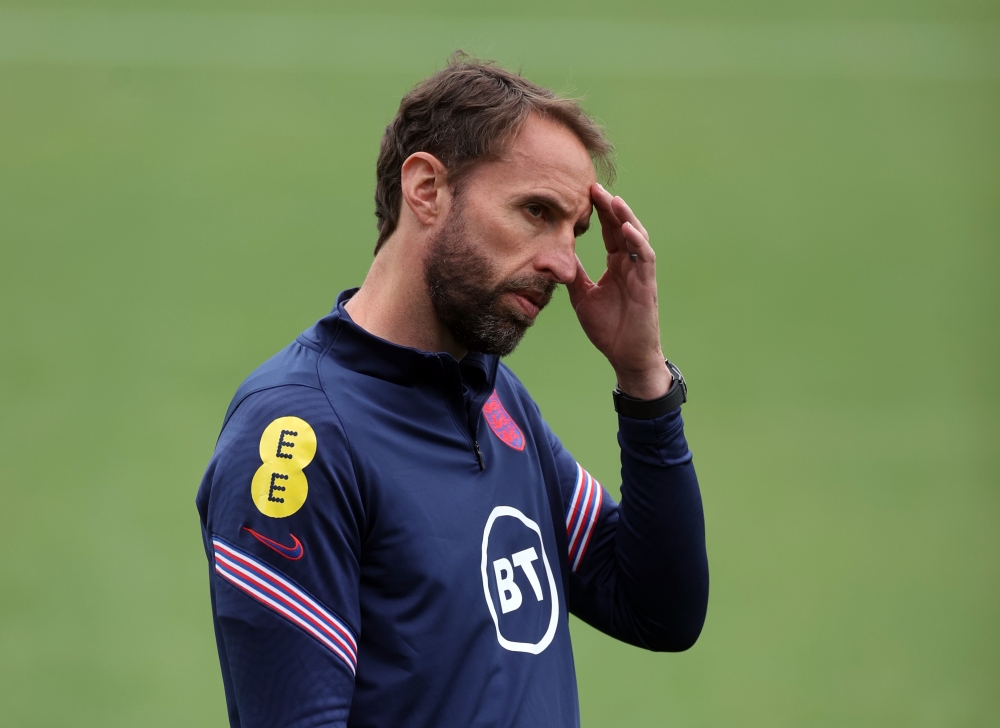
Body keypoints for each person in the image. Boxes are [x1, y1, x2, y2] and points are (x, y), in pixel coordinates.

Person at [196, 53, 709, 728]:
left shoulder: (495, 400)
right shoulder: (299, 434)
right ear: (428, 189)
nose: (563, 263)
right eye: (535, 212)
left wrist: (643, 381)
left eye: (574, 231)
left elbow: (658, 607)